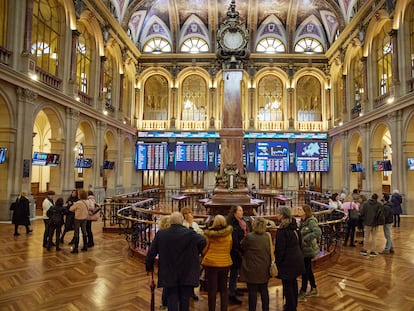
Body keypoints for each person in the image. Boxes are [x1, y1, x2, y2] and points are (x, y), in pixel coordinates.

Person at [146, 212, 206, 311]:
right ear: (182, 221)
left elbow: (151, 253)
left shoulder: (161, 234)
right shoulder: (191, 234)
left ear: (170, 221)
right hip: (187, 272)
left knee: (171, 298)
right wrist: (196, 252)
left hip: (169, 271)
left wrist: (149, 267)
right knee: (184, 299)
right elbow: (203, 242)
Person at [274, 206, 305, 311]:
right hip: (297, 259)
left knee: (287, 286)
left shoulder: (282, 230)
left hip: (287, 262)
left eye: (278, 213)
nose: (276, 215)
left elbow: (280, 249)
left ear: (282, 215)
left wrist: (278, 263)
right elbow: (300, 243)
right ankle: (293, 305)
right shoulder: (294, 227)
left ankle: (290, 307)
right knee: (293, 283)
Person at [201, 214, 233, 311]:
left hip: (211, 263)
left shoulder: (209, 235)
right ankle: (224, 308)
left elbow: (205, 250)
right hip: (225, 262)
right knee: (224, 289)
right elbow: (229, 248)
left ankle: (212, 309)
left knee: (212, 289)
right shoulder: (229, 234)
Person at [239, 217, 271, 311]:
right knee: (264, 290)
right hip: (264, 267)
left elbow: (242, 246)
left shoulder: (249, 236)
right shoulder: (266, 236)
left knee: (252, 292)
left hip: (252, 268)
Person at [298, 204, 321, 302]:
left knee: (305, 271)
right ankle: (314, 288)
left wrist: (306, 239)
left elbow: (318, 232)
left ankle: (303, 291)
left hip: (309, 250)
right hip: (304, 249)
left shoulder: (311, 221)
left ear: (305, 211)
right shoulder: (303, 221)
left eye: (300, 209)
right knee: (308, 270)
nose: (298, 210)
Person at [181, 206, 204, 301]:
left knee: (194, 273)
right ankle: (185, 292)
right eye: (185, 213)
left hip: (195, 252)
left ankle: (192, 291)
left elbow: (199, 234)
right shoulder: (182, 225)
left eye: (189, 213)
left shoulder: (194, 224)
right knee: (186, 273)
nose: (188, 215)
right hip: (185, 253)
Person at [227, 205, 248, 305]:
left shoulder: (241, 222)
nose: (242, 212)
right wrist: (241, 250)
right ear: (235, 212)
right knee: (234, 273)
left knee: (236, 273)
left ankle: (234, 289)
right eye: (240, 210)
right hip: (235, 252)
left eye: (242, 210)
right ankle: (231, 294)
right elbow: (235, 240)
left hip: (239, 251)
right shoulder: (233, 224)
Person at [69, 189, 89, 254]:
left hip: (78, 219)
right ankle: (85, 246)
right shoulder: (87, 201)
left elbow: (71, 209)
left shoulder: (78, 202)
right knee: (84, 231)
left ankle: (76, 248)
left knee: (76, 233)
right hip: (85, 218)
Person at [158, 215, 170, 310]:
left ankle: (164, 305)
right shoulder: (170, 235)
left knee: (166, 286)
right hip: (171, 264)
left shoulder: (160, 234)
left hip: (164, 264)